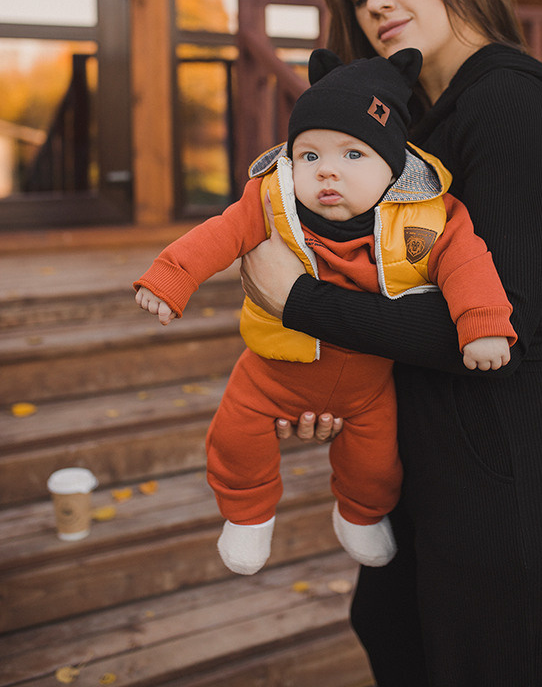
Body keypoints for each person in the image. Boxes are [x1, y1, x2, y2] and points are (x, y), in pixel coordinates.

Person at [238, 0, 542, 687]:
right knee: (385, 628)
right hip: (428, 477)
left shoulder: (510, 103)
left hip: (507, 485)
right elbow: (391, 296)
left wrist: (298, 301)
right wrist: (321, 375)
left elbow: (488, 331)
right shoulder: (414, 134)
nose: (377, 1)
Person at [134, 46, 516, 578]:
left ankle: (360, 516)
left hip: (366, 384)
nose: (327, 172)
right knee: (234, 436)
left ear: (394, 162)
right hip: (271, 374)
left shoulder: (428, 217)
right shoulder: (271, 198)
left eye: (352, 155)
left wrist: (483, 325)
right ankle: (247, 515)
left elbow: (468, 264)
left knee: (376, 462)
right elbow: (220, 233)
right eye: (310, 156)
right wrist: (172, 277)